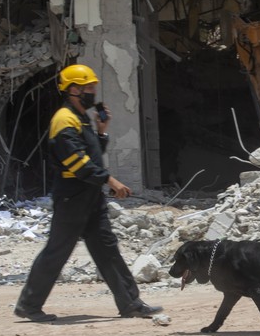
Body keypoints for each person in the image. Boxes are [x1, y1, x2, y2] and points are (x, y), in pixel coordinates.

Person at [14, 64, 163, 322]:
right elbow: (77, 162)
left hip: (90, 197)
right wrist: (110, 180)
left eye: (93, 87)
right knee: (58, 250)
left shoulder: (82, 116)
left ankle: (131, 303)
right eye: (88, 87)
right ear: (73, 89)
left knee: (107, 249)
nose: (93, 91)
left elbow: (91, 154)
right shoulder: (64, 119)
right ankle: (29, 305)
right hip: (72, 196)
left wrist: (101, 131)